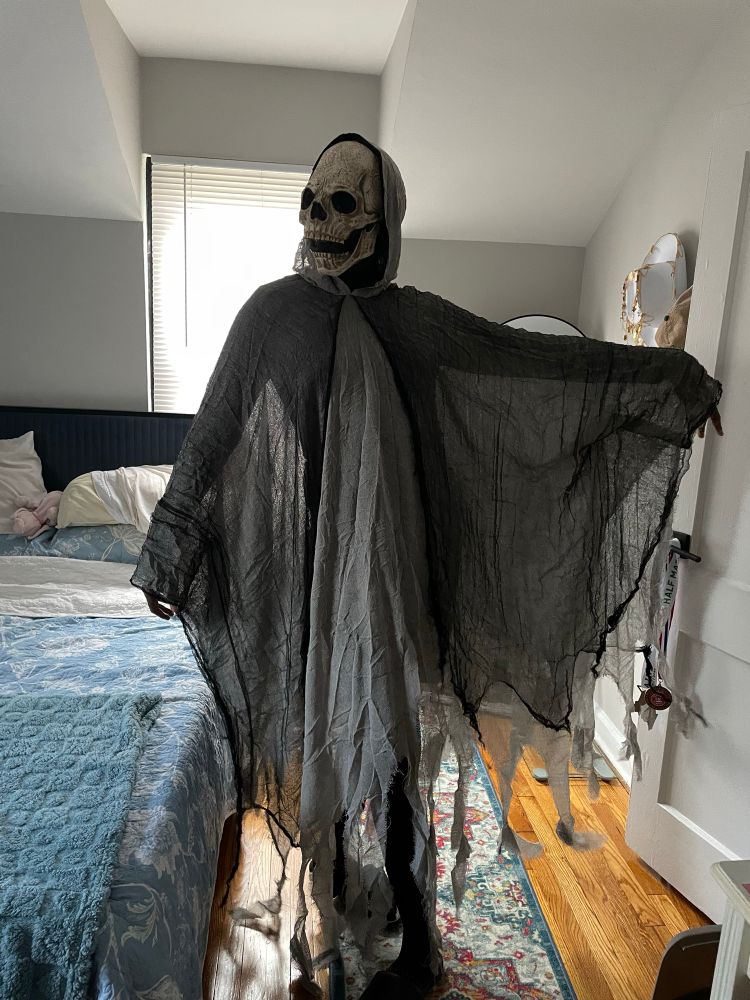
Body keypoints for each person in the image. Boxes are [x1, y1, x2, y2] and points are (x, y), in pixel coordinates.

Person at [134, 133, 721, 999]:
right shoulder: (270, 317)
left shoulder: (417, 324)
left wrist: (670, 380)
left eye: (344, 203)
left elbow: (535, 363)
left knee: (398, 758)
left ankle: (412, 944)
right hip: (306, 582)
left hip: (403, 582)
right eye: (312, 201)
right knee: (324, 743)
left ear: (386, 219)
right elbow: (215, 429)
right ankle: (333, 912)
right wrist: (171, 544)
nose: (320, 219)